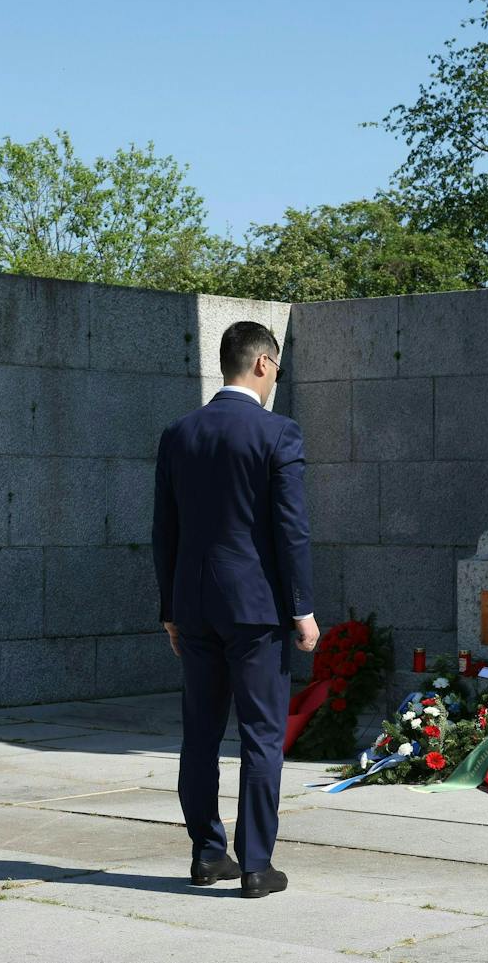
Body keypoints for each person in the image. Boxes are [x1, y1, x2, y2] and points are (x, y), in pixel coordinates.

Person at [151, 320, 319, 899]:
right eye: (278, 368)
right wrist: (302, 608)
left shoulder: (179, 433)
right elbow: (290, 531)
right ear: (264, 364)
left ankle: (206, 854)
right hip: (255, 610)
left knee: (199, 734)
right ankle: (255, 865)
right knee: (261, 736)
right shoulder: (278, 434)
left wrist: (170, 608)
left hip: (195, 606)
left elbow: (164, 530)